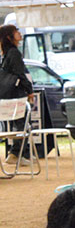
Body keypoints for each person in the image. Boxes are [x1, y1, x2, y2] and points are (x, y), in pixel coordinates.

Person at [0, 24, 33, 167]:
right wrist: (29, 90)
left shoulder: (6, 53)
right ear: (9, 36)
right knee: (23, 124)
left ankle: (19, 153)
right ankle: (16, 153)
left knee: (19, 124)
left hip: (7, 94)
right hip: (16, 94)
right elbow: (20, 73)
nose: (19, 33)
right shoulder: (14, 53)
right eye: (16, 31)